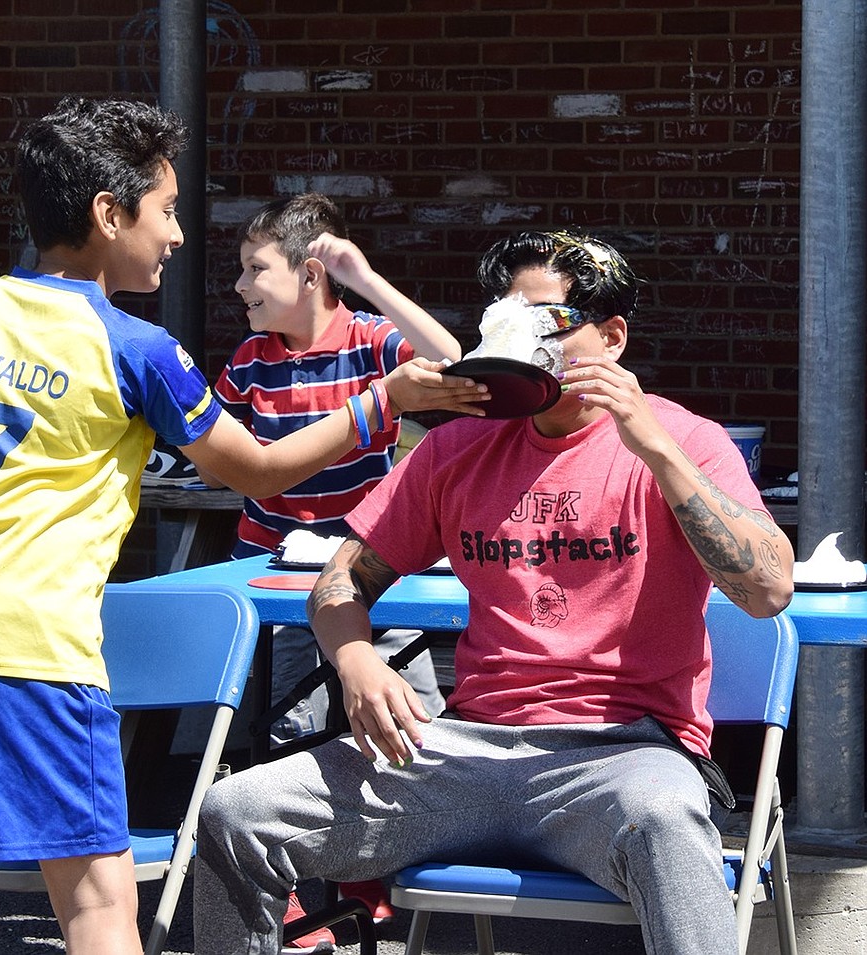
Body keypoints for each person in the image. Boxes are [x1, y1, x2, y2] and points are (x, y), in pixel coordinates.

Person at [0, 96, 489, 955]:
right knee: (99, 903)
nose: (177, 235)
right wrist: (379, 404)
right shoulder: (139, 347)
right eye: (167, 210)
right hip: (30, 644)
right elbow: (257, 469)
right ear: (109, 213)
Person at [192, 229, 795, 955]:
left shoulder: (683, 440)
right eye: (505, 316)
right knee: (236, 809)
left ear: (611, 336)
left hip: (621, 756)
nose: (521, 338)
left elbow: (767, 590)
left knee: (666, 819)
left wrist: (653, 447)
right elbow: (340, 580)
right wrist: (355, 660)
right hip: (462, 750)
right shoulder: (459, 447)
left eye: (545, 322)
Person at [207, 194, 455, 948]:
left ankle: (371, 870)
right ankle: (288, 896)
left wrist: (368, 278)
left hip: (374, 572)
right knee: (292, 725)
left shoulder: (372, 341)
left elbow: (451, 361)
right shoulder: (251, 362)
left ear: (312, 274)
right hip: (279, 574)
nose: (241, 285)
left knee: (409, 718)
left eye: (256, 268)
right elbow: (230, 459)